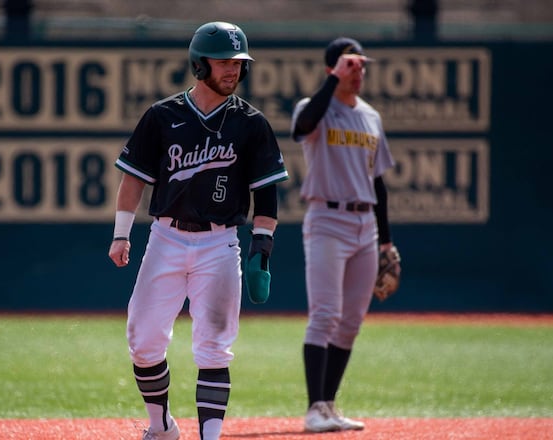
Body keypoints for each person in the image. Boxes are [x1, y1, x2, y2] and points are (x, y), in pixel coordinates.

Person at [108, 21, 288, 440]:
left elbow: (267, 195)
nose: (233, 70)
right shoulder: (162, 116)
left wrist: (262, 251)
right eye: (224, 61)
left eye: (238, 63)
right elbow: (133, 178)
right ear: (198, 64)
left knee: (214, 347)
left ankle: (210, 437)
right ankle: (161, 427)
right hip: (166, 237)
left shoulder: (251, 123)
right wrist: (121, 233)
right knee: (143, 340)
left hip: (219, 243)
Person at [290, 37, 399, 432]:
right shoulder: (314, 109)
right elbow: (302, 127)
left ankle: (329, 406)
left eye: (361, 66)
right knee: (325, 315)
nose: (358, 72)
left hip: (364, 225)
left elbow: (379, 183)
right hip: (327, 220)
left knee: (351, 321)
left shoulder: (370, 116)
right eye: (349, 65)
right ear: (331, 69)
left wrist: (386, 241)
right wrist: (333, 80)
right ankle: (313, 408)